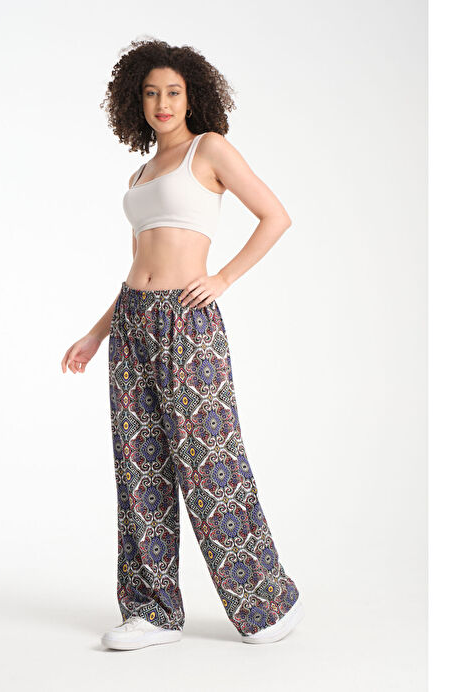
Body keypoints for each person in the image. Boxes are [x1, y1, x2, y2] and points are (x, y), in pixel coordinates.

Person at [61, 38, 305, 650]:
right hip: (133, 320)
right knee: (138, 464)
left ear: (191, 96)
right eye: (150, 93)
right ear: (135, 101)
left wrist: (222, 278)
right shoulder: (140, 173)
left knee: (210, 462)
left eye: (172, 92)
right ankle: (152, 612)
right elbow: (137, 262)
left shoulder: (209, 149)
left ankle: (267, 602)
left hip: (187, 322)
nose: (162, 103)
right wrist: (96, 333)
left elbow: (275, 216)